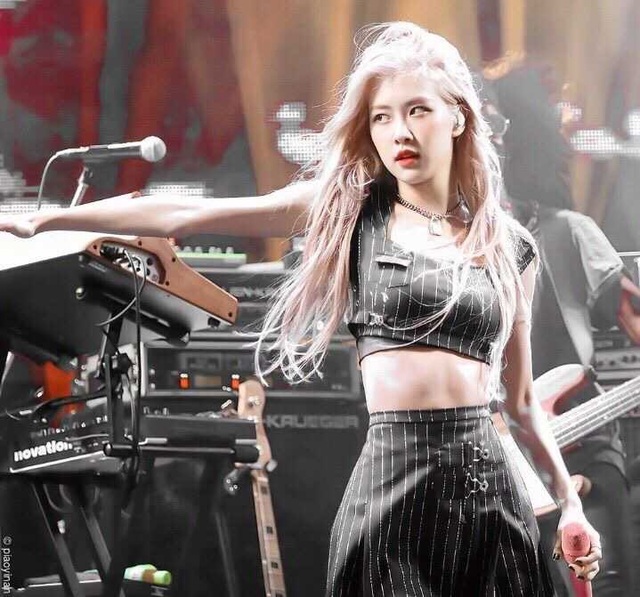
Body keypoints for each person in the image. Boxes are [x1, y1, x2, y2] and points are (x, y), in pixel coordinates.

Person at [0, 22, 602, 595]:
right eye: (382, 116)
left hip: (491, 490)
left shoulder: (509, 247)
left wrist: (569, 505)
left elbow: (521, 402)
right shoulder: (352, 211)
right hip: (395, 484)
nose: (400, 131)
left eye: (418, 110)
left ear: (459, 117)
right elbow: (188, 215)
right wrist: (47, 221)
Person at [484, 64, 640, 596]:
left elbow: (633, 318)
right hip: (491, 462)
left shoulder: (569, 233)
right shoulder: (442, 248)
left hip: (579, 449)